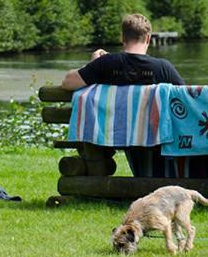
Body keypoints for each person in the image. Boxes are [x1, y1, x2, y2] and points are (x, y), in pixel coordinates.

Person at [61, 14, 185, 177]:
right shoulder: (162, 67)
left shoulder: (106, 63)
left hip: (109, 135)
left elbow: (67, 82)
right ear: (148, 38)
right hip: (154, 136)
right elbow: (185, 97)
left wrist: (92, 64)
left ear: (122, 37)